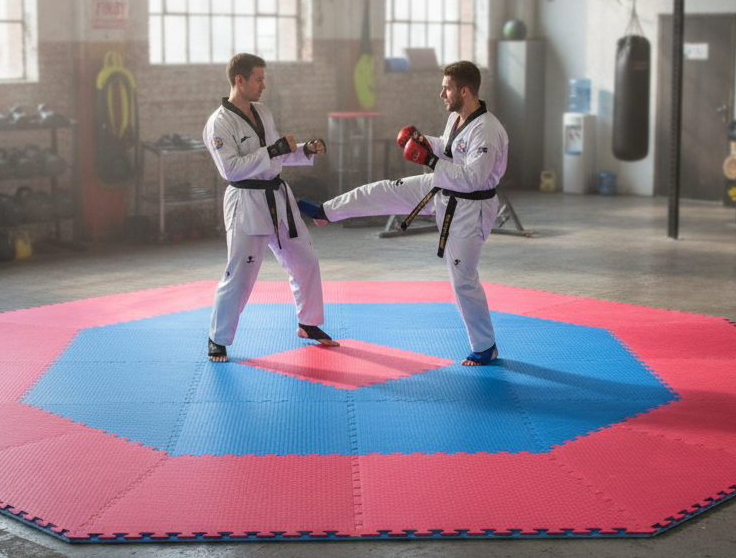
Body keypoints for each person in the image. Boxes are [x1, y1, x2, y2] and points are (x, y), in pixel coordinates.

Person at [298, 60, 508, 366]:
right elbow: (450, 150)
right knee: (384, 190)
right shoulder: (459, 119)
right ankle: (326, 212)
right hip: (442, 190)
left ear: (465, 90)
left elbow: (473, 177)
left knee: (463, 278)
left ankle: (485, 345)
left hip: (470, 209)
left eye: (447, 87)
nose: (442, 93)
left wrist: (431, 161)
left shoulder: (488, 130)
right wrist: (424, 142)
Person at [203, 53, 336, 362]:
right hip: (246, 202)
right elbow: (232, 170)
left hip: (278, 197)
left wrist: (304, 150)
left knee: (306, 263)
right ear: (240, 80)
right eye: (258, 79)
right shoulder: (219, 123)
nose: (264, 85)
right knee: (240, 274)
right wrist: (272, 150)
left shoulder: (263, 112)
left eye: (264, 79)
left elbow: (277, 155)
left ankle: (308, 323)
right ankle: (218, 338)